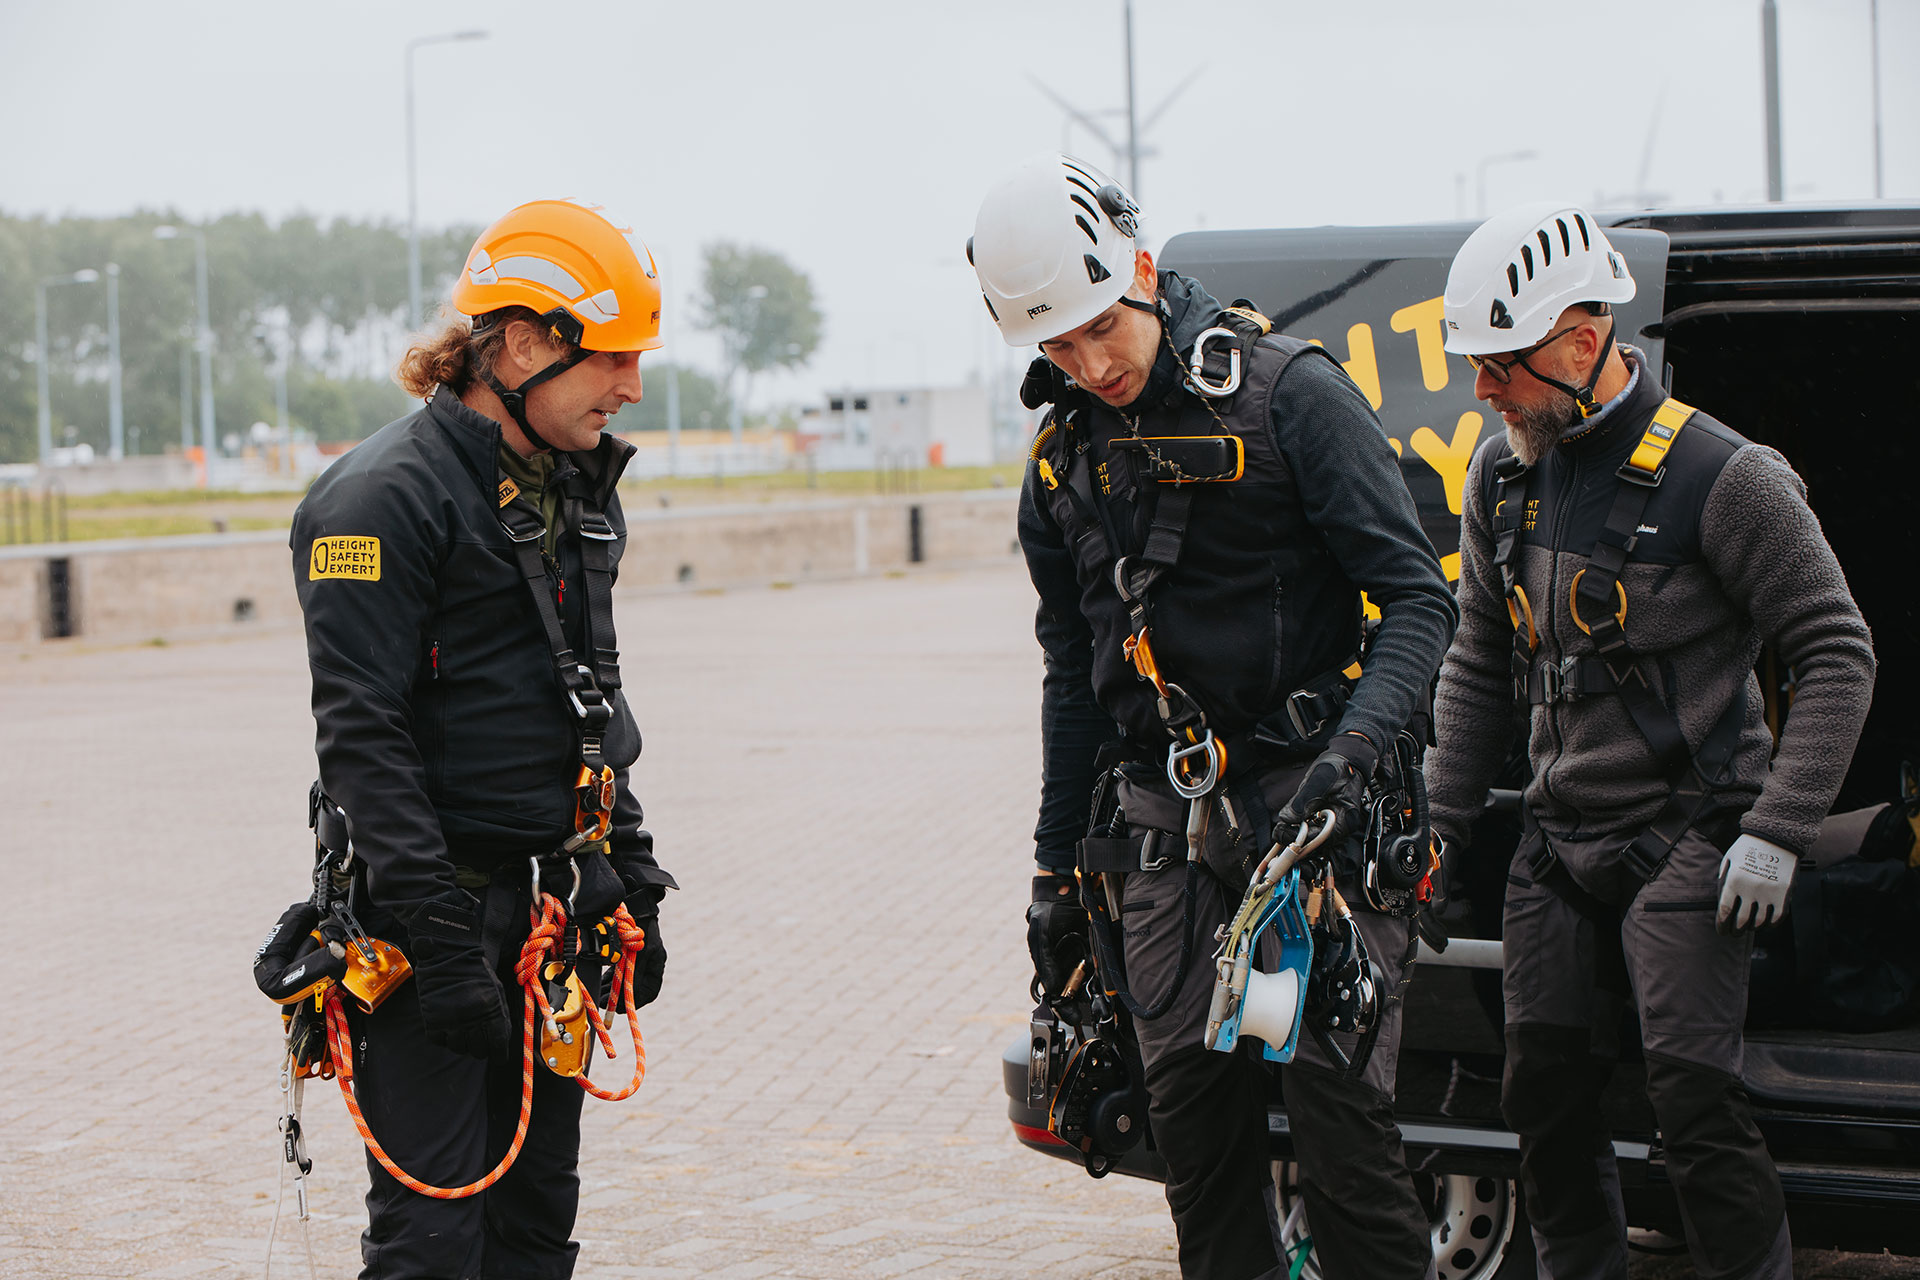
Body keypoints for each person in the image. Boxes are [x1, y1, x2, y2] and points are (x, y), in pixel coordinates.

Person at [974, 154, 1458, 1280]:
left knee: (1345, 1143)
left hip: (1316, 814)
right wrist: (1053, 873)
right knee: (1196, 1150)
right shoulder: (1062, 464)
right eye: (1056, 348)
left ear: (1142, 270)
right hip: (1162, 835)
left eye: (1099, 328)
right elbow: (1069, 676)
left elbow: (1419, 598)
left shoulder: (1295, 396)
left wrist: (1350, 761)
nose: (1088, 365)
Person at [1425, 202, 1876, 1280]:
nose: (1481, 391)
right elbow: (1480, 663)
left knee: (1692, 1097)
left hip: (1695, 834)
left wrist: (1779, 827)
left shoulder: (1730, 478)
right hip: (1559, 835)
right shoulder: (1502, 480)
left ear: (1583, 342)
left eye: (1500, 365)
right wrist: (1439, 825)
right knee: (1543, 1091)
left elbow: (1838, 653)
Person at [285, 198, 677, 1279]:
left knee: (533, 1231)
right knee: (432, 1242)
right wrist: (447, 947)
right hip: (429, 929)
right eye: (613, 357)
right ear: (516, 345)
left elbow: (588, 694)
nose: (632, 384)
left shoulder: (574, 490)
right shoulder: (376, 502)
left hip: (549, 920)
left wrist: (629, 864)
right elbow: (360, 737)